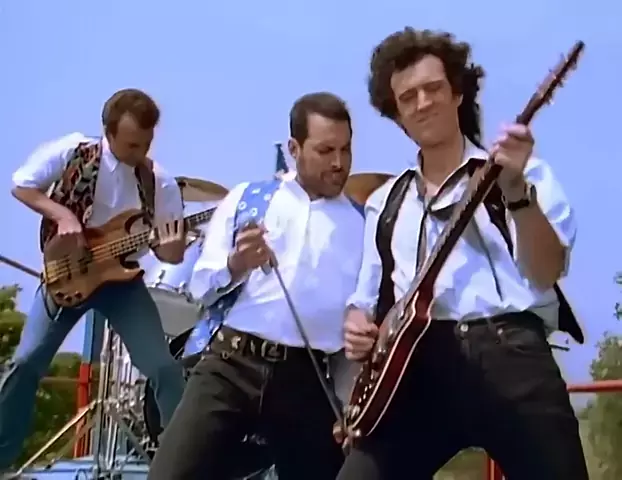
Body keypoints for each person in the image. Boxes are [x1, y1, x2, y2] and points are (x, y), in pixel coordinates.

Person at [338, 28, 589, 480]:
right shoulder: (384, 203)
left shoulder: (526, 173)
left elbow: (546, 271)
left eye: (433, 88)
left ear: (457, 93)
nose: (423, 103)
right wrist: (356, 324)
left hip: (511, 354)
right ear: (396, 113)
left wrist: (516, 192)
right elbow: (367, 298)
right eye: (408, 97)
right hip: (416, 367)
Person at [148, 92, 363, 480]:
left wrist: (354, 402)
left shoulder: (363, 224)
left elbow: (361, 325)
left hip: (308, 379)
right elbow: (199, 288)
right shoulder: (248, 199)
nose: (339, 162)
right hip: (231, 365)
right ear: (294, 149)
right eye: (325, 150)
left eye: (346, 149)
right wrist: (236, 264)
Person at [0, 89, 187, 471]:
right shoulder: (72, 151)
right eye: (131, 144)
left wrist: (172, 245)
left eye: (146, 143)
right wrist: (63, 216)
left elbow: (171, 255)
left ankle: (186, 463)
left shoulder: (159, 181)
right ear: (108, 132)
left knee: (164, 368)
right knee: (26, 362)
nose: (139, 152)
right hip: (67, 275)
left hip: (122, 284)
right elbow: (22, 185)